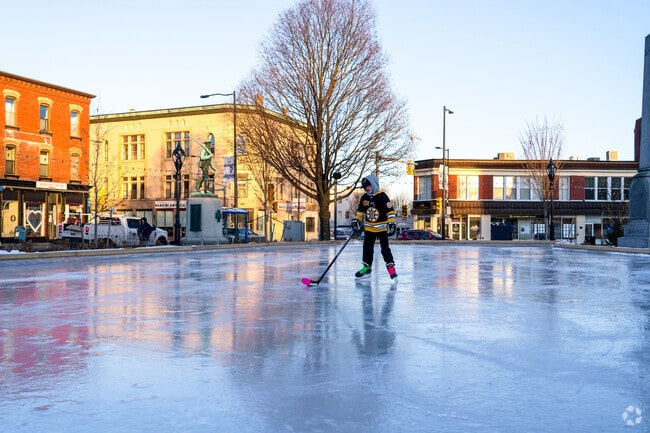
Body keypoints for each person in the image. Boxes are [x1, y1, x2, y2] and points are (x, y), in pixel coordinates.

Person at [351, 174, 397, 280]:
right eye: (366, 187)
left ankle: (390, 267)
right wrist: (357, 220)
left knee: (385, 248)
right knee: (367, 248)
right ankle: (367, 267)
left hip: (381, 228)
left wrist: (391, 222)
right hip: (369, 228)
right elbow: (360, 211)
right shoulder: (365, 197)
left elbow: (390, 209)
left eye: (369, 186)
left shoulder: (382, 196)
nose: (368, 188)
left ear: (374, 184)